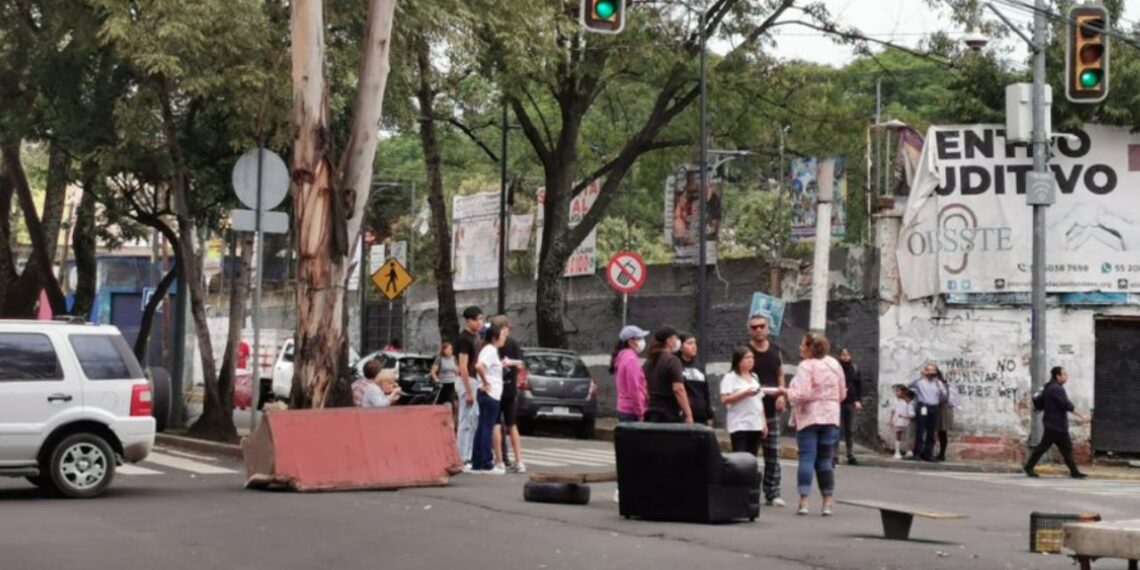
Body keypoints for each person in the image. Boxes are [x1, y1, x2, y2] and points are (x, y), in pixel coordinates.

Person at [787, 333, 846, 516]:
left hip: (809, 417)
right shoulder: (834, 364)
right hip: (830, 417)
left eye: (802, 344)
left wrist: (788, 393)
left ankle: (804, 502)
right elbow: (842, 393)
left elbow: (803, 394)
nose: (799, 347)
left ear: (810, 348)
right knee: (825, 460)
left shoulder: (806, 366)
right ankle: (827, 502)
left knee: (806, 458)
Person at [747, 312, 787, 508]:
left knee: (773, 454)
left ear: (768, 328)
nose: (758, 330)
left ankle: (772, 493)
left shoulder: (775, 350)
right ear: (749, 330)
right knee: (748, 455)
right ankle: (747, 492)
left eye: (761, 326)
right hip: (750, 412)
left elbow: (780, 375)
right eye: (754, 327)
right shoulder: (744, 351)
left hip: (771, 411)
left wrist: (781, 394)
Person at [1024, 366, 1091, 479]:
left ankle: (1074, 471)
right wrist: (1082, 416)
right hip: (1055, 425)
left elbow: (1038, 399)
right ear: (1058, 376)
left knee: (1066, 448)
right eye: (1064, 374)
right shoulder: (1056, 388)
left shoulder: (1048, 386)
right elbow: (1066, 404)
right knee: (1044, 447)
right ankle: (1029, 467)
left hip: (1055, 424)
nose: (1066, 376)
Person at [472, 324, 514, 474]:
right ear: (495, 337)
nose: (504, 338)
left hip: (486, 393)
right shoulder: (490, 350)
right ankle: (486, 462)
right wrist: (485, 382)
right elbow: (479, 367)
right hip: (491, 393)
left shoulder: (487, 350)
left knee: (482, 426)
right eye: (502, 336)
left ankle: (477, 462)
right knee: (487, 427)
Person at [490, 315, 526, 474]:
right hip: (510, 387)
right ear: (503, 328)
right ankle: (519, 461)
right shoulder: (513, 344)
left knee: (496, 424)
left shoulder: (490, 345)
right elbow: (521, 366)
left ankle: (499, 462)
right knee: (512, 425)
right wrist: (513, 364)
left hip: (495, 389)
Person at [720, 347, 767, 456]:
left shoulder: (755, 377)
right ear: (739, 360)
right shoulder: (730, 377)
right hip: (739, 423)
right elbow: (725, 399)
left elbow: (759, 401)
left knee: (752, 457)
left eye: (752, 358)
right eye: (747, 358)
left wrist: (763, 422)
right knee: (740, 458)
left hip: (755, 423)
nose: (751, 360)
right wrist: (745, 393)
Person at [454, 306, 484, 469]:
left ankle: (469, 453)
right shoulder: (464, 339)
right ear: (469, 320)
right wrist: (469, 391)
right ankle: (462, 456)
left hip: (474, 380)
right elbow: (463, 366)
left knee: (474, 419)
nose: (480, 322)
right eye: (477, 319)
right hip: (467, 381)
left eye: (481, 319)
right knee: (466, 420)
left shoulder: (476, 336)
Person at [643, 327, 693, 424]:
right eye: (676, 338)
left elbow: (645, 388)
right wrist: (688, 414)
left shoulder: (648, 362)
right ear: (669, 341)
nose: (678, 342)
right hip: (669, 415)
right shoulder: (672, 361)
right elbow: (679, 389)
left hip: (651, 412)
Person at [909, 362, 948, 462]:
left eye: (933, 370)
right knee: (920, 430)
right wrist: (922, 376)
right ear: (925, 371)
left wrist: (938, 383)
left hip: (934, 407)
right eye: (929, 370)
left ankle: (928, 453)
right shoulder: (920, 382)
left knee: (932, 432)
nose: (931, 372)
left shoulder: (938, 382)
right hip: (923, 406)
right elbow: (909, 386)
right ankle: (917, 453)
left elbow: (944, 394)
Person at [611, 325, 650, 422]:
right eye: (640, 338)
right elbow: (634, 388)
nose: (643, 341)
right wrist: (640, 412)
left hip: (625, 409)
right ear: (631, 342)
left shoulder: (622, 356)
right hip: (631, 411)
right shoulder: (631, 359)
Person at [677, 332, 715, 426]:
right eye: (689, 343)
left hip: (701, 415)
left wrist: (709, 414)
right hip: (684, 415)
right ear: (680, 347)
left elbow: (705, 391)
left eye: (694, 343)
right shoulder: (676, 364)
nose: (693, 346)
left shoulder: (698, 365)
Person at [837, 348, 863, 465]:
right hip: (837, 402)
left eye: (847, 354)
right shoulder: (836, 369)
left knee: (850, 430)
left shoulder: (855, 368)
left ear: (851, 356)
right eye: (843, 355)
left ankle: (850, 454)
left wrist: (858, 400)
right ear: (840, 356)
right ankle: (834, 454)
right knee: (836, 429)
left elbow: (859, 385)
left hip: (851, 402)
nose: (845, 357)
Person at [934, 367, 960, 462]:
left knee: (942, 431)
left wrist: (933, 402)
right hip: (940, 409)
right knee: (939, 432)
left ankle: (941, 454)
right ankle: (939, 453)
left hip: (943, 410)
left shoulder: (941, 384)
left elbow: (944, 397)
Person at [888, 385, 916, 459]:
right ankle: (897, 451)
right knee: (898, 435)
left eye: (898, 391)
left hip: (907, 421)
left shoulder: (908, 401)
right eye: (896, 392)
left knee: (908, 436)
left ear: (903, 392)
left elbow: (911, 412)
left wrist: (907, 417)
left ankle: (909, 451)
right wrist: (890, 420)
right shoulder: (895, 401)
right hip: (898, 420)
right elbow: (893, 411)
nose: (896, 393)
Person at [430, 342, 458, 409]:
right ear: (444, 350)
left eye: (451, 349)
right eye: (449, 349)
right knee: (440, 401)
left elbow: (457, 370)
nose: (451, 351)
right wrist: (437, 380)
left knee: (451, 400)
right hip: (442, 383)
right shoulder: (439, 359)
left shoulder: (453, 358)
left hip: (452, 382)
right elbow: (433, 372)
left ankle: (452, 417)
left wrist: (457, 374)